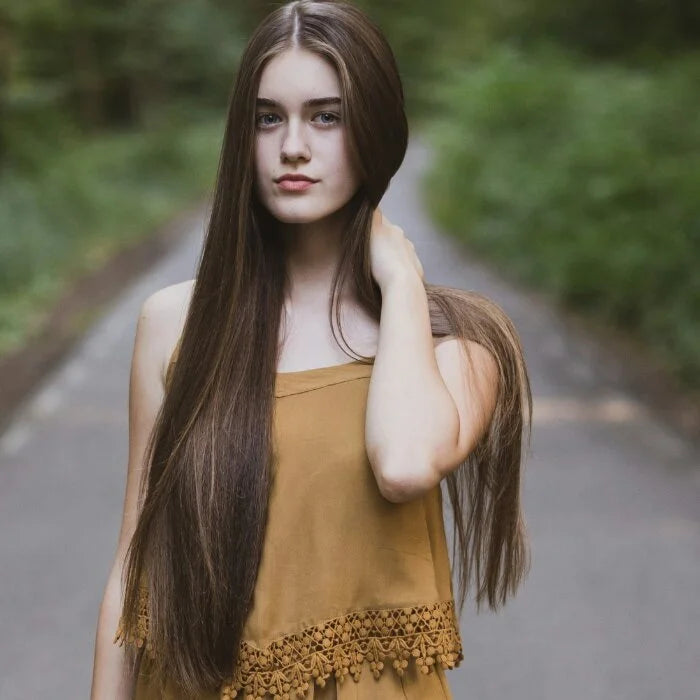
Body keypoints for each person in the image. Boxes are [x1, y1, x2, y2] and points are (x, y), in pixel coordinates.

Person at [90, 1, 532, 698]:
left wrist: (401, 281)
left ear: (377, 131)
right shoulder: (174, 325)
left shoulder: (461, 344)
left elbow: (406, 464)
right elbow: (130, 572)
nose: (293, 145)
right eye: (270, 118)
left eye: (326, 116)